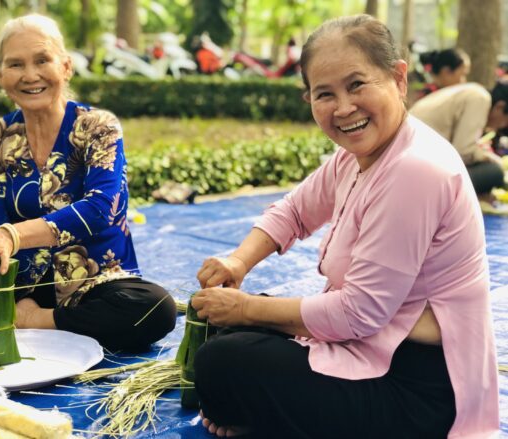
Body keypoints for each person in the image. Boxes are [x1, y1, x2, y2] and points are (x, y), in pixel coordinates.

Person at [191, 14, 499, 439]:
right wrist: (238, 262)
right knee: (231, 332)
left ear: (398, 78)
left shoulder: (416, 169)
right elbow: (294, 211)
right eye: (325, 94)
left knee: (221, 361)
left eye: (357, 85)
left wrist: (245, 308)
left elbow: (358, 313)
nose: (344, 108)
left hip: (419, 389)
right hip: (372, 346)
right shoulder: (356, 156)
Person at [0, 14, 176, 352]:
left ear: (66, 66)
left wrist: (12, 236)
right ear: (1, 75)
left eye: (42, 60)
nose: (30, 75)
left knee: (155, 309)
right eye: (15, 64)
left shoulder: (96, 127)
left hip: (89, 281)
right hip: (17, 277)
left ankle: (30, 320)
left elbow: (100, 208)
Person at [410, 80, 507, 197]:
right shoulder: (480, 99)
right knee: (494, 172)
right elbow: (463, 151)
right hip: (419, 165)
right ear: (499, 107)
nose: (503, 126)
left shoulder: (475, 91)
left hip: (415, 154)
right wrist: (489, 157)